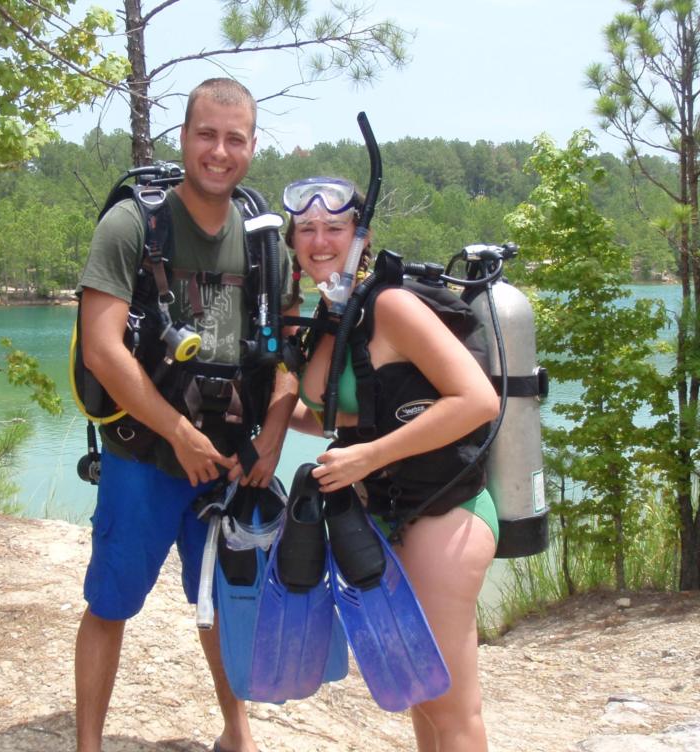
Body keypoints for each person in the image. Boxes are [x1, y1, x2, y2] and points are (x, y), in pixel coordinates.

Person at [73, 78, 296, 752]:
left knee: (226, 604)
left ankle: (238, 734)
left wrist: (277, 434)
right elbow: (102, 348)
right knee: (111, 602)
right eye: (207, 134)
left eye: (235, 138)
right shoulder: (132, 227)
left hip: (229, 463)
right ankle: (88, 744)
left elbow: (287, 346)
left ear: (252, 147)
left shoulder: (264, 242)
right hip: (145, 455)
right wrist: (177, 431)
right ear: (184, 137)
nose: (219, 151)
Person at [283, 177, 500, 752]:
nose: (320, 239)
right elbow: (349, 418)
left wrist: (368, 458)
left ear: (362, 237)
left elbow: (478, 401)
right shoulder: (337, 316)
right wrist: (263, 417)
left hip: (444, 513)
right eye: (307, 228)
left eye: (335, 227)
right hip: (388, 513)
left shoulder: (392, 306)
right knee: (417, 693)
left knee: (451, 707)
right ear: (292, 240)